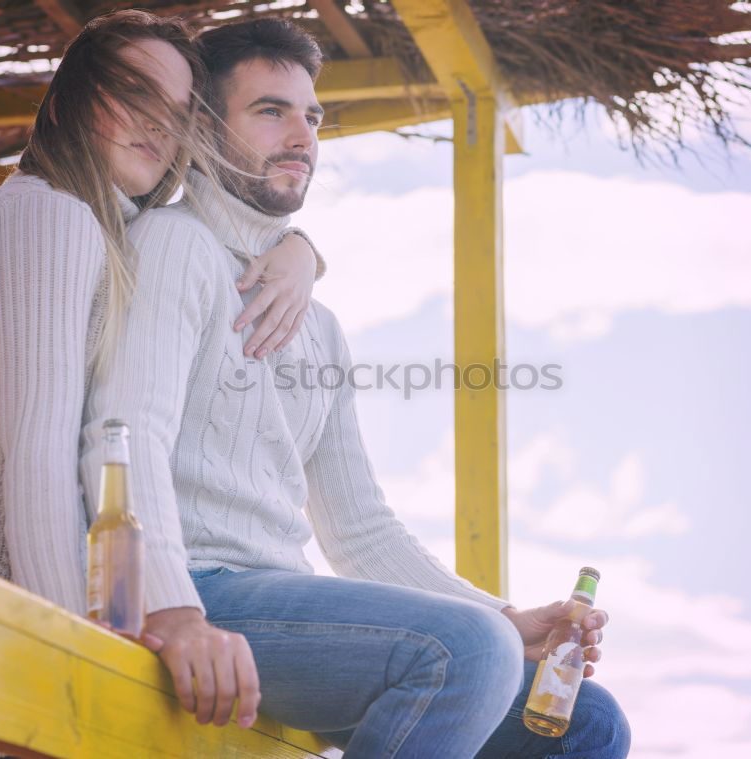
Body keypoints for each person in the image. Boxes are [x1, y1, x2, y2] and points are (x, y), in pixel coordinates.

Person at [79, 17, 631, 759]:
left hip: (287, 607)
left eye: (311, 116)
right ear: (204, 128)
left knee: (587, 720)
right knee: (464, 653)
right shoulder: (175, 246)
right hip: (199, 590)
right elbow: (126, 434)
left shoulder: (320, 323)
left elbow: (362, 530)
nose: (302, 135)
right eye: (270, 111)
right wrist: (173, 606)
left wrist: (506, 618)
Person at [0, 10, 325, 758]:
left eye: (178, 109)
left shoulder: (92, 230)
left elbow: (227, 210)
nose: (157, 124)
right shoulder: (47, 218)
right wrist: (87, 663)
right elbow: (42, 465)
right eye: (132, 92)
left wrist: (302, 251)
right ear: (67, 99)